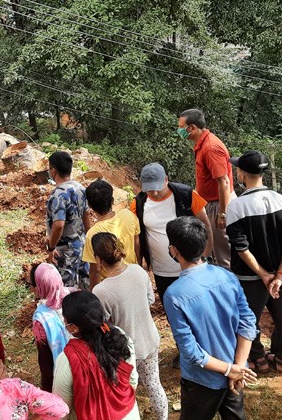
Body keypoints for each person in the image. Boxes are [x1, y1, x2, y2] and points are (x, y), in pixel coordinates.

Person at [163, 216, 258, 420]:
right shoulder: (227, 276)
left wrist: (229, 370)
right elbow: (248, 322)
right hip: (233, 367)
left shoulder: (174, 294)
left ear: (173, 251)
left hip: (202, 380)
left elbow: (190, 351)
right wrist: (238, 366)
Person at [226, 151, 282, 374]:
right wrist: (279, 274)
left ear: (241, 173)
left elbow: (242, 248)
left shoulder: (237, 207)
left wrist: (263, 274)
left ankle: (258, 358)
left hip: (250, 277)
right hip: (279, 275)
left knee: (248, 318)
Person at [90, 233, 167, 420]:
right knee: (154, 386)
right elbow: (150, 300)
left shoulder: (101, 290)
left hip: (125, 350)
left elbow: (104, 324)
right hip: (150, 339)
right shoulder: (138, 271)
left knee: (126, 392)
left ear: (98, 260)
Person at [53, 291, 140, 420]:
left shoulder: (68, 360)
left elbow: (61, 412)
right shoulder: (119, 337)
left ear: (74, 328)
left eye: (65, 319)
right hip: (129, 416)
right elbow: (132, 380)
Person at [131, 162, 214, 301]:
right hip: (161, 271)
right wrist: (140, 266)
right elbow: (137, 238)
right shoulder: (138, 203)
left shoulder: (186, 195)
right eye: (150, 190)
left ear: (166, 179)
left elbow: (206, 226)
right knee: (171, 309)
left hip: (191, 268)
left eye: (157, 188)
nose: (155, 193)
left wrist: (206, 256)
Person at [178, 108, 234, 268]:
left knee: (222, 252)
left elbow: (224, 182)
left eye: (181, 127)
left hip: (218, 204)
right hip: (210, 203)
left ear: (192, 128)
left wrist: (222, 213)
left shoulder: (210, 148)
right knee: (212, 247)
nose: (179, 130)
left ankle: (227, 286)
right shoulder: (202, 145)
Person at [45, 151, 92, 289]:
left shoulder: (58, 195)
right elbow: (86, 215)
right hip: (82, 244)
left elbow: (59, 225)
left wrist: (51, 247)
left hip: (66, 250)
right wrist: (89, 238)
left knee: (66, 288)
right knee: (85, 283)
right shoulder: (80, 188)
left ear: (53, 171)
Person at [83, 179, 140, 289]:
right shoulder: (128, 215)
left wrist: (94, 294)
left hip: (112, 285)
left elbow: (96, 270)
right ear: (112, 200)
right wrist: (139, 267)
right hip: (133, 275)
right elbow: (137, 244)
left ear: (90, 205)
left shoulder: (93, 234)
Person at [28, 263, 74, 391]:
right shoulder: (74, 295)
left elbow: (45, 361)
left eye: (32, 285)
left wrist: (47, 389)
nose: (31, 290)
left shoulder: (41, 320)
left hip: (63, 375)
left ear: (39, 288)